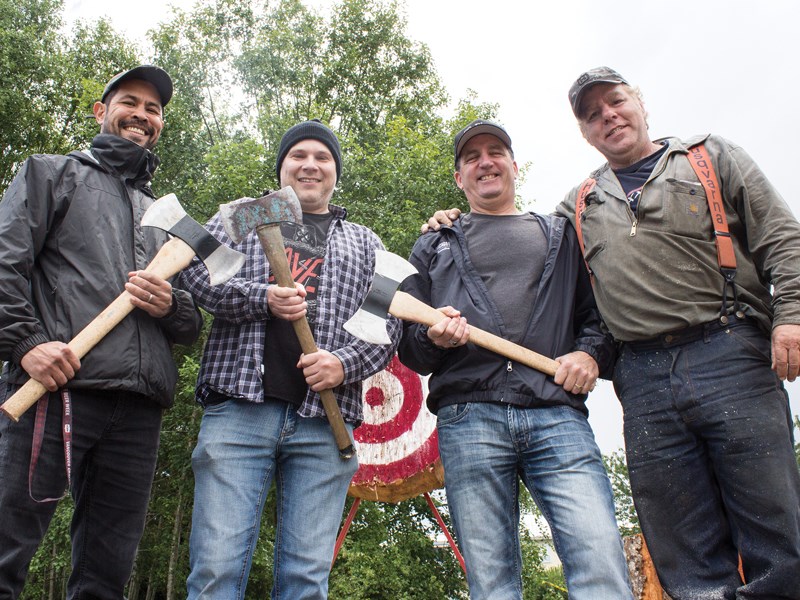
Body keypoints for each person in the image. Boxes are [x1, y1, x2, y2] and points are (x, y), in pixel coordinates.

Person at [555, 67, 800, 600]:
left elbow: (784, 237)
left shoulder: (711, 157)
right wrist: (453, 221)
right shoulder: (579, 204)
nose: (608, 117)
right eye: (592, 115)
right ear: (585, 133)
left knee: (774, 530)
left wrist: (793, 316)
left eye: (615, 102)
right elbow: (525, 247)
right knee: (682, 548)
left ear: (639, 102)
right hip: (642, 383)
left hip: (731, 352)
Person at [397, 119, 632, 600]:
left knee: (600, 562)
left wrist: (589, 355)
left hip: (557, 415)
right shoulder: (434, 244)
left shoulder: (561, 235)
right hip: (469, 417)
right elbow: (409, 347)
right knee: (492, 582)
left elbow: (598, 318)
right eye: (471, 157)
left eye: (495, 152)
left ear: (513, 166)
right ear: (459, 178)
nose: (485, 161)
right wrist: (435, 340)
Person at [0, 65, 203, 599]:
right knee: (6, 546)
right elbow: (4, 263)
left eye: (154, 109)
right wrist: (26, 344)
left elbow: (192, 321)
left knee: (105, 575)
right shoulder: (50, 174)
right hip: (57, 387)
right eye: (130, 102)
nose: (142, 116)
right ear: (101, 111)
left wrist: (171, 305)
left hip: (138, 409)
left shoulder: (167, 217)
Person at [182, 119, 400, 599]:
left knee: (305, 580)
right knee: (216, 569)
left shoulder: (365, 244)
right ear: (282, 166)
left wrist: (342, 364)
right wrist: (262, 298)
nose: (310, 165)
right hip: (239, 411)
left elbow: (388, 325)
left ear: (335, 172)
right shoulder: (243, 216)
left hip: (326, 423)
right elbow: (194, 276)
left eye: (322, 157)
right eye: (298, 155)